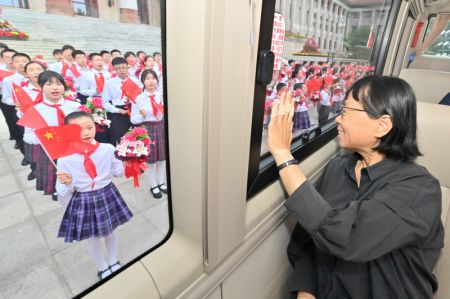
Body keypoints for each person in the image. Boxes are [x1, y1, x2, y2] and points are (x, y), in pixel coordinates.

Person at [267, 76, 444, 299]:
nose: (338, 120)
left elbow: (349, 236)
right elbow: (310, 239)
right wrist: (307, 291)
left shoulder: (420, 190)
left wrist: (283, 155)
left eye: (345, 111)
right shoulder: (338, 168)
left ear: (382, 125)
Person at [56, 111, 133, 279]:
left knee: (111, 232)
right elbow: (61, 192)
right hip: (84, 199)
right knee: (93, 237)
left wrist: (128, 161)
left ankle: (113, 261)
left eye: (89, 127)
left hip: (107, 194)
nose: (85, 133)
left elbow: (118, 173)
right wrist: (68, 182)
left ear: (95, 127)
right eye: (77, 130)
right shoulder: (65, 159)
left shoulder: (107, 149)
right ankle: (102, 266)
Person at [33, 71, 80, 200]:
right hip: (50, 150)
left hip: (73, 148)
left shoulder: (75, 106)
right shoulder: (36, 110)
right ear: (41, 87)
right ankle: (56, 191)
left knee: (76, 172)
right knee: (57, 175)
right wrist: (44, 136)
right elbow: (28, 136)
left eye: (59, 84)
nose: (55, 87)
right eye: (49, 84)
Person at [130, 69, 167, 198]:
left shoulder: (162, 96)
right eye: (148, 78)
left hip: (161, 128)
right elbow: (133, 119)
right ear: (143, 81)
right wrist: (142, 116)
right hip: (146, 130)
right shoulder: (138, 99)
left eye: (153, 78)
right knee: (150, 161)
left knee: (162, 159)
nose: (151, 81)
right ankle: (153, 185)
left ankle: (161, 183)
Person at [102, 57, 142, 145]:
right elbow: (105, 102)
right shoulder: (109, 83)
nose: (121, 70)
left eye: (124, 67)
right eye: (118, 68)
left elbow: (140, 99)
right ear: (114, 69)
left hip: (133, 110)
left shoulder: (136, 81)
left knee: (138, 135)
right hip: (118, 112)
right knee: (119, 137)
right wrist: (118, 110)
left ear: (128, 67)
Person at [18, 61, 45, 180]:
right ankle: (36, 170)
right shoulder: (23, 91)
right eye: (31, 70)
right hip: (35, 127)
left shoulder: (53, 85)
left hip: (54, 126)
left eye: (39, 69)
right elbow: (20, 115)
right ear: (26, 73)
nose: (36, 72)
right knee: (39, 156)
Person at [2, 52, 31, 163]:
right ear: (12, 63)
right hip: (20, 111)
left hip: (37, 112)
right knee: (22, 134)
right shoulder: (8, 80)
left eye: (24, 61)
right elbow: (5, 98)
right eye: (17, 61)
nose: (21, 64)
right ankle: (28, 158)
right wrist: (16, 102)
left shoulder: (38, 77)